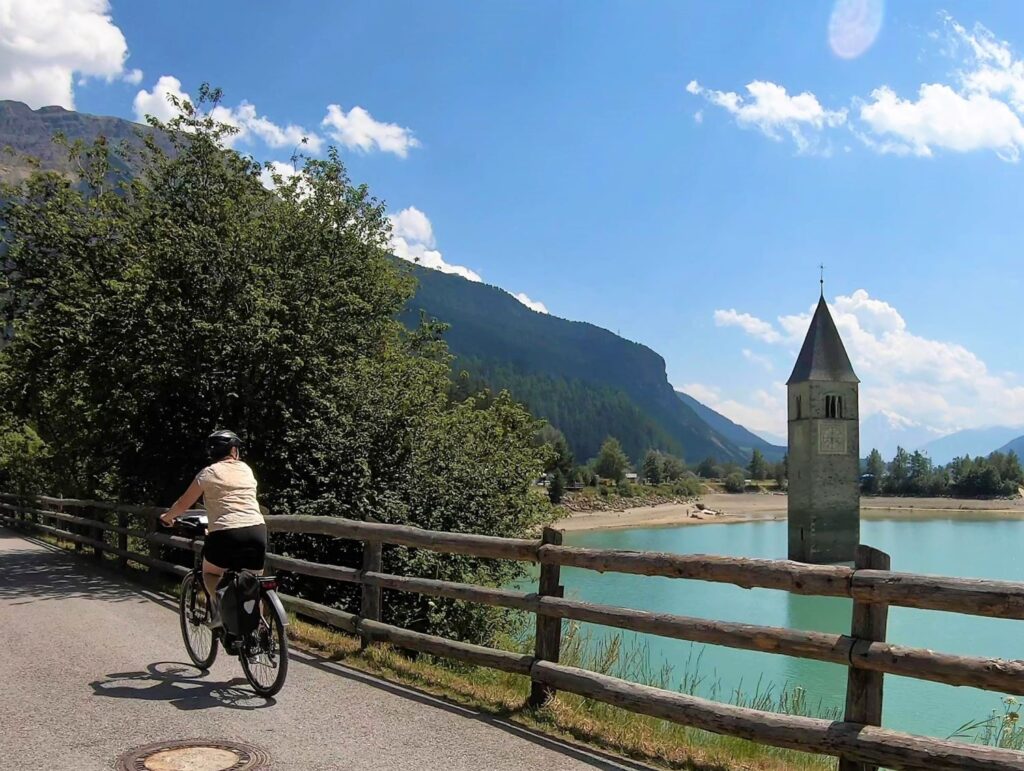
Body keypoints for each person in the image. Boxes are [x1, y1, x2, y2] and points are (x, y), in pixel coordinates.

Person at [160, 429, 267, 627]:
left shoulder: (207, 474)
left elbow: (183, 504)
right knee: (253, 582)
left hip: (226, 533)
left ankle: (220, 602)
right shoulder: (246, 469)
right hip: (257, 530)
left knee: (209, 572)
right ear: (233, 450)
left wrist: (167, 518)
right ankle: (258, 629)